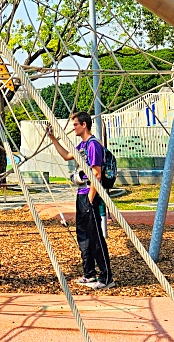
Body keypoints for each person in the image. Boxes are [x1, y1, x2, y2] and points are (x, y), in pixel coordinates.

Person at [47, 111, 113, 290]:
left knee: (95, 236)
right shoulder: (82, 145)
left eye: (75, 124)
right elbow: (67, 156)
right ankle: (89, 273)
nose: (73, 128)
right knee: (83, 234)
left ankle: (106, 277)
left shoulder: (93, 145)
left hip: (91, 193)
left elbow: (97, 173)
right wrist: (53, 138)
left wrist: (90, 198)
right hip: (82, 192)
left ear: (84, 125)